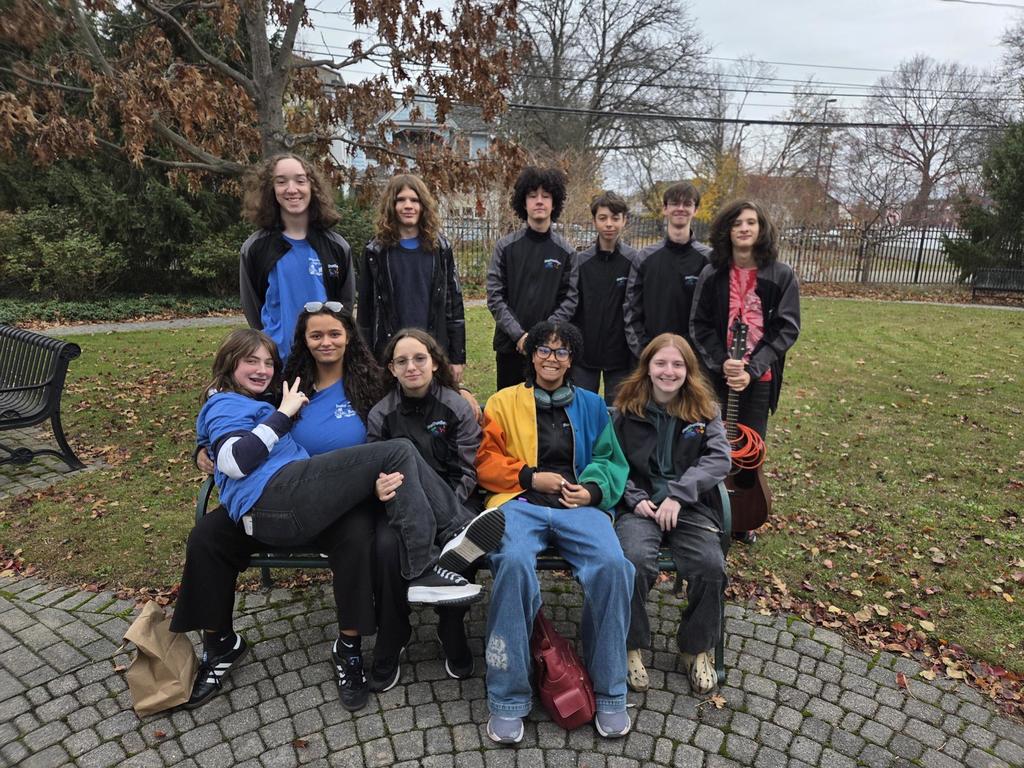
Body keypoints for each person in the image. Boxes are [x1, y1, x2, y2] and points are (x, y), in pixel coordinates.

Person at [172, 325, 504, 711]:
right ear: (303, 342)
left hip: (324, 491)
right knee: (206, 536)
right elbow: (226, 432)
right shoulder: (287, 386)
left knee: (356, 533)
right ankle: (218, 643)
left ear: (349, 338)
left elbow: (413, 375)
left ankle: (350, 646)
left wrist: (458, 390)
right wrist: (203, 448)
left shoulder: (367, 380)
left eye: (334, 334)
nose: (326, 342)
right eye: (316, 336)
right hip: (280, 495)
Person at [475, 320, 634, 744]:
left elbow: (609, 459)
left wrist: (592, 490)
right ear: (531, 356)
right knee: (512, 564)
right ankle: (508, 698)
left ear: (571, 359)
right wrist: (529, 477)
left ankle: (610, 690)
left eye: (561, 351)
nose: (551, 357)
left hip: (577, 507)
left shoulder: (592, 405)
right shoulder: (503, 402)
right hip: (521, 504)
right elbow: (485, 460)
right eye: (544, 349)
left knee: (613, 565)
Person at [612, 334, 731, 696]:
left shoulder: (705, 409)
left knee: (711, 566)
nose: (669, 371)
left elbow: (719, 459)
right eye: (661, 363)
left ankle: (695, 647)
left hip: (689, 506)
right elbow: (611, 459)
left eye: (677, 364)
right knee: (633, 561)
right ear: (647, 367)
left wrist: (679, 496)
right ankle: (630, 645)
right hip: (640, 505)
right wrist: (634, 497)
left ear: (688, 369)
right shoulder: (625, 408)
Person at [364, 328, 484, 690]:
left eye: (419, 358)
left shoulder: (456, 407)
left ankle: (451, 627)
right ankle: (393, 632)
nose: (411, 367)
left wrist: (436, 512)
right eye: (402, 361)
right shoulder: (381, 414)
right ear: (391, 369)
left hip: (453, 497)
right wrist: (378, 488)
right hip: (398, 508)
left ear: (434, 363)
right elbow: (373, 469)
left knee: (463, 545)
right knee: (386, 546)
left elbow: (468, 470)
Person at [690, 200, 801, 544]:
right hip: (717, 376)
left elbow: (787, 328)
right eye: (737, 223)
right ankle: (709, 510)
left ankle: (743, 517)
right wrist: (720, 361)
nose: (744, 228)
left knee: (750, 448)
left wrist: (752, 369)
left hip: (758, 378)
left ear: (761, 228)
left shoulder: (781, 274)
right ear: (726, 230)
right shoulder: (712, 274)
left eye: (751, 222)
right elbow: (698, 324)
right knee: (710, 443)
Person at [239, 153, 355, 361]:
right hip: (278, 364)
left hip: (325, 363)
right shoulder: (255, 248)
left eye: (300, 181)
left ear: (312, 187)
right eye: (281, 181)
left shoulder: (337, 247)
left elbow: (344, 308)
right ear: (270, 189)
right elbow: (254, 311)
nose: (291, 189)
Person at [358, 174, 467, 381]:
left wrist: (457, 357)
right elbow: (365, 312)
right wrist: (366, 360)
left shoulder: (440, 249)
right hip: (389, 354)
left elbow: (454, 306)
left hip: (434, 351)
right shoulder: (375, 252)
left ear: (423, 205)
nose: (408, 206)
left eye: (414, 200)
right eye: (401, 200)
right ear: (391, 206)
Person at [486, 166, 578, 390]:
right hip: (510, 347)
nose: (539, 201)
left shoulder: (566, 252)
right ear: (523, 202)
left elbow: (569, 299)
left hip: (549, 351)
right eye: (532, 195)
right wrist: (519, 335)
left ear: (554, 203)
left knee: (544, 409)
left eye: (545, 196)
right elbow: (495, 296)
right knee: (509, 407)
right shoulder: (505, 247)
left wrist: (541, 336)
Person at [623, 181, 711, 359]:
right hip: (651, 357)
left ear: (695, 210)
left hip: (695, 360)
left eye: (687, 204)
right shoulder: (645, 258)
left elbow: (714, 315)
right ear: (665, 208)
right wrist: (645, 353)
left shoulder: (709, 260)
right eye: (675, 203)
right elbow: (632, 311)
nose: (680, 208)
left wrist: (699, 356)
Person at [571, 191, 639, 404]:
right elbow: (571, 305)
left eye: (615, 218)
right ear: (594, 221)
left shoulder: (635, 261)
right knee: (583, 411)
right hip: (584, 356)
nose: (609, 224)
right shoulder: (580, 262)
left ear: (624, 220)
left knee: (620, 414)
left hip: (621, 357)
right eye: (603, 218)